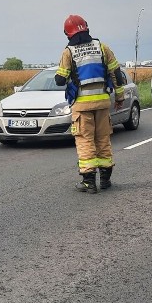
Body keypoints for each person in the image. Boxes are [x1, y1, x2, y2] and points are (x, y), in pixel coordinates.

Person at [55, 14, 125, 193]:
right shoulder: (102, 47)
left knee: (85, 141)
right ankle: (106, 180)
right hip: (102, 103)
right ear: (86, 28)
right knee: (103, 139)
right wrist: (119, 97)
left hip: (81, 106)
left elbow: (60, 80)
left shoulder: (68, 52)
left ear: (67, 34)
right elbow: (116, 74)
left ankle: (89, 182)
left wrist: (63, 74)